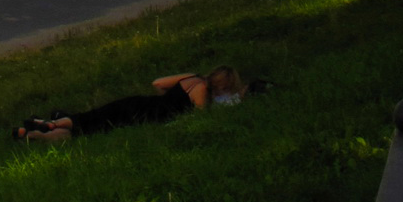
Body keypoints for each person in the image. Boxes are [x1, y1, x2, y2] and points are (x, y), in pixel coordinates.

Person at [15, 69, 247, 141]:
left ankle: (46, 124)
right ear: (224, 85)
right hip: (146, 116)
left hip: (139, 103)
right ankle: (37, 136)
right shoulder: (203, 92)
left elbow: (157, 83)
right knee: (88, 132)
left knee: (89, 117)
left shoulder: (192, 79)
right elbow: (200, 117)